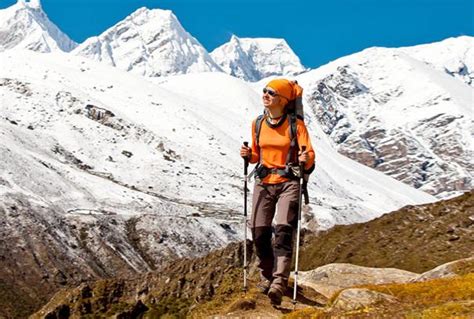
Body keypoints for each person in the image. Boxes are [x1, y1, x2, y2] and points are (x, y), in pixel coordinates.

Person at [240, 79, 315, 306]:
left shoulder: (296, 125)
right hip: (263, 181)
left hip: (288, 182)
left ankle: (279, 283)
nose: (265, 95)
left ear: (282, 99)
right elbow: (256, 154)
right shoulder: (258, 123)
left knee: (283, 231)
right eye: (264, 91)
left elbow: (309, 155)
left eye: (271, 92)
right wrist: (247, 155)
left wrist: (305, 159)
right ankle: (268, 275)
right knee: (259, 232)